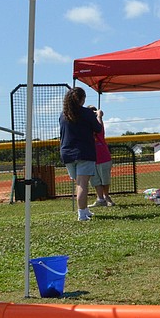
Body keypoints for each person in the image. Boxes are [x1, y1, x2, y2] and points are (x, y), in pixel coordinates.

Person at [59, 87, 103, 221]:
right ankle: (82, 214)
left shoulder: (63, 114)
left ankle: (84, 210)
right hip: (84, 152)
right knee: (83, 184)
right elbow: (98, 129)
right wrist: (99, 116)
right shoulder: (87, 113)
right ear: (82, 99)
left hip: (67, 153)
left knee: (79, 183)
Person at [88, 106, 115, 207]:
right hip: (91, 158)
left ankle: (106, 196)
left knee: (105, 179)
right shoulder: (85, 126)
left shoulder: (98, 126)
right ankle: (100, 199)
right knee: (95, 181)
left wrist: (99, 117)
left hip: (103, 157)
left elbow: (99, 129)